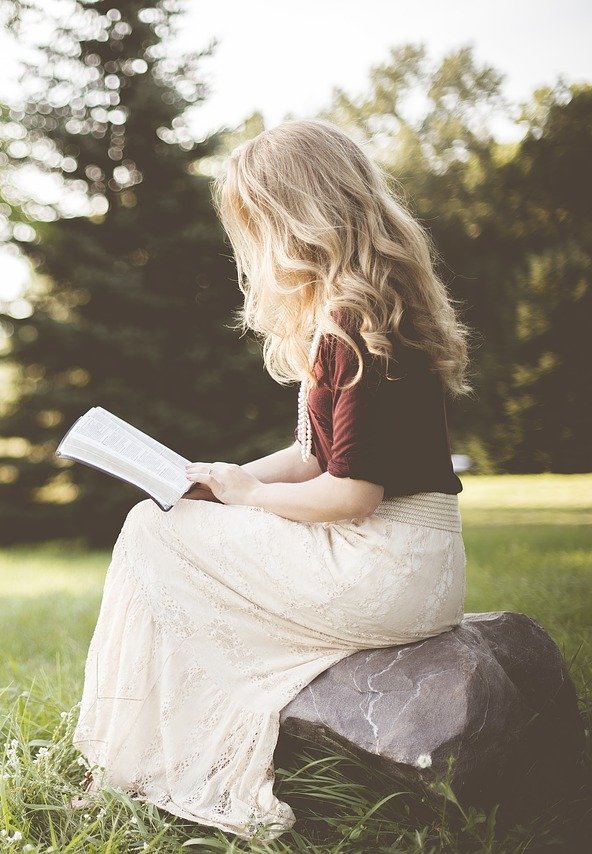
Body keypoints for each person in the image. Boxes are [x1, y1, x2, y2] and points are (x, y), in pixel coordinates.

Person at [68, 117, 473, 842]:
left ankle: (131, 761)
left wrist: (249, 499)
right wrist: (218, 478)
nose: (251, 245)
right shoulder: (361, 307)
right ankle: (140, 753)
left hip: (384, 563)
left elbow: (352, 494)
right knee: (166, 521)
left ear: (298, 218)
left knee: (148, 531)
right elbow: (311, 456)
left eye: (257, 223)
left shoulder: (354, 320)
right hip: (407, 562)